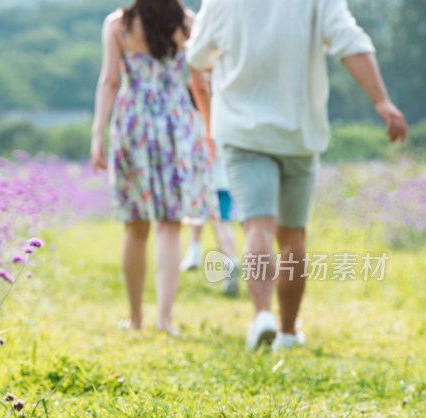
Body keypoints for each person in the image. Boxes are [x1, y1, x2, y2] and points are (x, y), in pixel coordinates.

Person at [186, 0, 407, 350]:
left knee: (257, 225)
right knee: (292, 236)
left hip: (243, 132)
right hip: (299, 133)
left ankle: (262, 316)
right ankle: (288, 333)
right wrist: (381, 100)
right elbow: (351, 42)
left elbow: (197, 56)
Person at [91, 0, 218, 333]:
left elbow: (109, 81)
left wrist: (97, 134)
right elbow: (200, 85)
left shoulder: (118, 25)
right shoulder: (189, 23)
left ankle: (135, 318)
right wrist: (209, 130)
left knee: (135, 226)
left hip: (132, 123)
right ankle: (164, 319)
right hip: (176, 123)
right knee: (170, 224)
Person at [182, 71, 240, 297]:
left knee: (198, 214)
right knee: (222, 223)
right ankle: (230, 261)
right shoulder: (226, 112)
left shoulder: (194, 117)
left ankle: (193, 251)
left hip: (203, 178)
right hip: (225, 179)